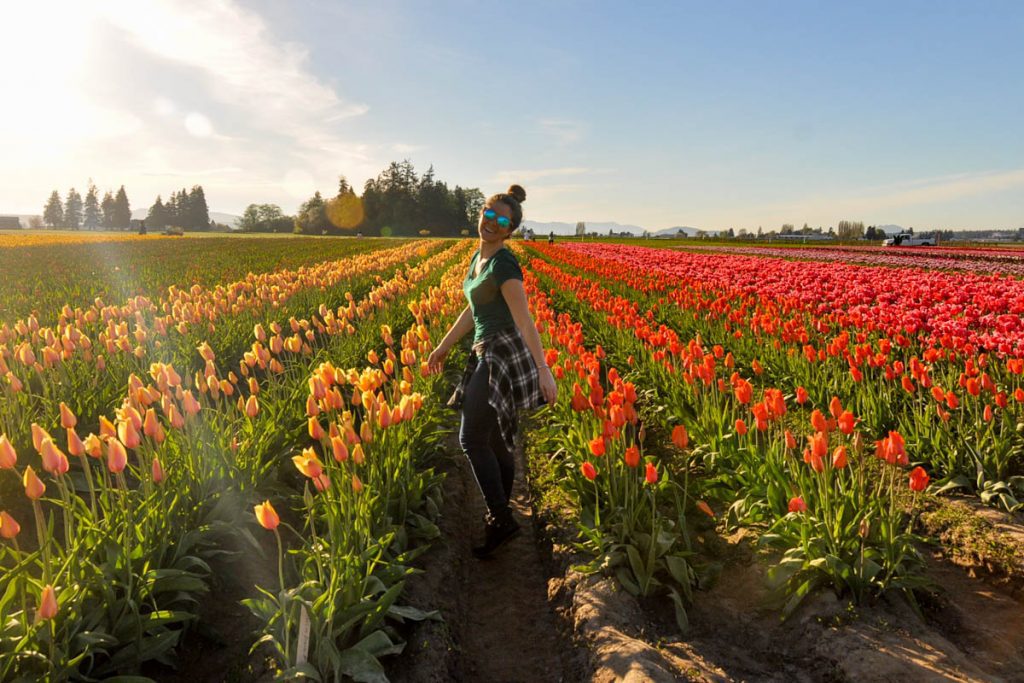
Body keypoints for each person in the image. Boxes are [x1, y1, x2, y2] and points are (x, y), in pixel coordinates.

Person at [426, 184, 558, 558]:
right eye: (489, 213)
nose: (492, 222)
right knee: (495, 437)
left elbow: (524, 319)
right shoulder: (477, 258)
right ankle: (500, 514)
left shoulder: (504, 264)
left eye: (502, 220)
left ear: (510, 229)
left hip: (501, 354)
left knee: (470, 438)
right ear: (481, 213)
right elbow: (473, 310)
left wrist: (543, 369)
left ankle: (501, 519)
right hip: (485, 349)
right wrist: (444, 345)